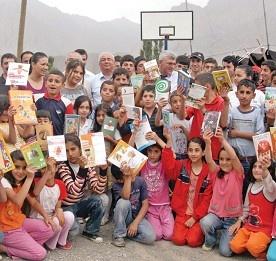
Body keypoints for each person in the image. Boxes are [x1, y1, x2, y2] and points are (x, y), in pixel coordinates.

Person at [0, 150, 55, 260]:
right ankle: (4, 249)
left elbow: (34, 198)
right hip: (6, 228)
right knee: (40, 254)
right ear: (9, 166)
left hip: (18, 222)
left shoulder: (22, 182)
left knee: (49, 229)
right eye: (17, 167)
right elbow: (18, 201)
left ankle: (23, 243)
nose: (20, 171)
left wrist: (46, 216)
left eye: (24, 168)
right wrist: (30, 178)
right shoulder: (4, 181)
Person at [200, 128, 244, 257]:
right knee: (205, 222)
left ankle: (228, 234)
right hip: (216, 215)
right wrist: (207, 142)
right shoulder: (216, 172)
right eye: (221, 159)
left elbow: (234, 157)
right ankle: (211, 240)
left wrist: (222, 140)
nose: (224, 162)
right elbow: (209, 160)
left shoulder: (238, 173)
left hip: (232, 219)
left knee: (225, 252)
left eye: (227, 159)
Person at [162, 137, 212, 247]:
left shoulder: (208, 171)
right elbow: (169, 169)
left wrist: (195, 218)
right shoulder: (183, 165)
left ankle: (199, 233)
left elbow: (207, 200)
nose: (193, 153)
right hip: (182, 212)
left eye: (197, 150)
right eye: (190, 150)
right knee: (178, 240)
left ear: (203, 152)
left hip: (198, 215)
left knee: (192, 241)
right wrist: (168, 143)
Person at [58, 134, 107, 242]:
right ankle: (69, 225)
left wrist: (103, 171)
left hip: (79, 204)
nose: (70, 154)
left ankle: (90, 231)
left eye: (73, 149)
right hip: (66, 207)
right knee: (73, 233)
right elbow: (74, 191)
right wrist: (82, 169)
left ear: (80, 149)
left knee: (99, 200)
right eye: (66, 151)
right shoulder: (63, 167)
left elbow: (98, 189)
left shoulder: (88, 164)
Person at [221, 79, 265, 197]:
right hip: (233, 159)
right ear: (236, 94)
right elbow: (224, 124)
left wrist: (237, 133)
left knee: (245, 191)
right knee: (232, 190)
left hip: (249, 160)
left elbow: (260, 137)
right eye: (241, 92)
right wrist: (225, 102)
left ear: (253, 95)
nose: (244, 96)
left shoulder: (257, 113)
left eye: (247, 92)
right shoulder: (232, 110)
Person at [229, 157, 276, 260]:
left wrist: (265, 170)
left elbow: (271, 186)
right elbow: (246, 208)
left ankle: (263, 249)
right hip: (249, 227)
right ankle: (253, 243)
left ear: (269, 170)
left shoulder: (270, 187)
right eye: (255, 166)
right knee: (234, 247)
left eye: (261, 167)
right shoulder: (251, 185)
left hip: (264, 230)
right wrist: (239, 221)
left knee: (253, 247)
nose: (257, 169)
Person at [32, 157, 75, 250]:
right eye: (45, 168)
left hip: (51, 215)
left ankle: (60, 242)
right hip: (38, 217)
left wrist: (58, 211)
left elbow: (57, 205)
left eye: (51, 167)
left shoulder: (60, 184)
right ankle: (50, 244)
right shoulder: (36, 181)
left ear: (56, 168)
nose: (48, 170)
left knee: (69, 216)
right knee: (55, 222)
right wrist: (47, 172)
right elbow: (35, 192)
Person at [111, 163, 156, 247]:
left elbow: (145, 204)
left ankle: (127, 233)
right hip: (124, 218)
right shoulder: (116, 186)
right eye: (127, 174)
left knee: (150, 237)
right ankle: (118, 235)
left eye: (131, 171)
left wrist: (135, 223)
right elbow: (126, 197)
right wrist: (128, 179)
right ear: (120, 180)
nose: (132, 174)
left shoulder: (140, 181)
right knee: (123, 202)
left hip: (137, 217)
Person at [186, 72, 224, 161]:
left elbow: (215, 125)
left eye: (197, 86)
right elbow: (184, 116)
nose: (194, 89)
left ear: (207, 86)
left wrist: (203, 109)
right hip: (195, 149)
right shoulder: (197, 99)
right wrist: (182, 99)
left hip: (212, 150)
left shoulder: (221, 102)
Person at [35, 69, 73, 135]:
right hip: (39, 139)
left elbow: (69, 128)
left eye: (57, 81)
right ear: (45, 83)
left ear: (63, 85)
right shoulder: (36, 99)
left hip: (58, 141)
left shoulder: (67, 103)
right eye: (50, 81)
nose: (53, 83)